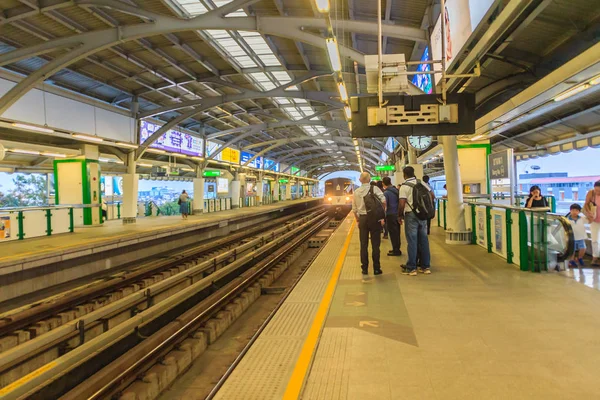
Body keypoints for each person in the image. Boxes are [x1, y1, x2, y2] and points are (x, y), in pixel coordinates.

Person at [398, 166, 432, 276]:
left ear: (404, 174)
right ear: (413, 173)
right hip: (422, 215)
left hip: (411, 215)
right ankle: (425, 267)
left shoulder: (404, 186)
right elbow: (432, 195)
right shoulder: (421, 183)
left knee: (412, 241)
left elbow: (402, 203)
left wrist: (399, 216)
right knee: (424, 241)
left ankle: (411, 268)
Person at [353, 172, 386, 277]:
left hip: (362, 219)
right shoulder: (375, 189)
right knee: (375, 244)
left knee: (363, 244)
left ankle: (364, 269)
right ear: (369, 179)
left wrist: (358, 220)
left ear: (360, 180)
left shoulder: (356, 192)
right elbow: (384, 201)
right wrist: (381, 215)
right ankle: (376, 268)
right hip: (374, 219)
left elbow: (354, 209)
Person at [382, 177, 402, 256]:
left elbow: (385, 205)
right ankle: (396, 248)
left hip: (390, 215)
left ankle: (396, 250)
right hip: (397, 214)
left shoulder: (386, 193)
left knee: (393, 233)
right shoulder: (396, 190)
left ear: (383, 183)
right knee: (397, 232)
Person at [584, 180, 600, 266]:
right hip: (594, 219)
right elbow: (586, 204)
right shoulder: (591, 193)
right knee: (594, 240)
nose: (597, 192)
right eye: (596, 190)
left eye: (599, 191)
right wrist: (589, 212)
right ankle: (595, 258)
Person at [567, 204, 589, 268]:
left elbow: (590, 220)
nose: (574, 212)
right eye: (573, 210)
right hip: (572, 238)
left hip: (580, 237)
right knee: (572, 250)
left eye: (576, 210)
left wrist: (585, 212)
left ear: (579, 211)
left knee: (583, 248)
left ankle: (580, 258)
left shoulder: (582, 218)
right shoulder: (567, 219)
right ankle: (571, 260)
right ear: (570, 211)